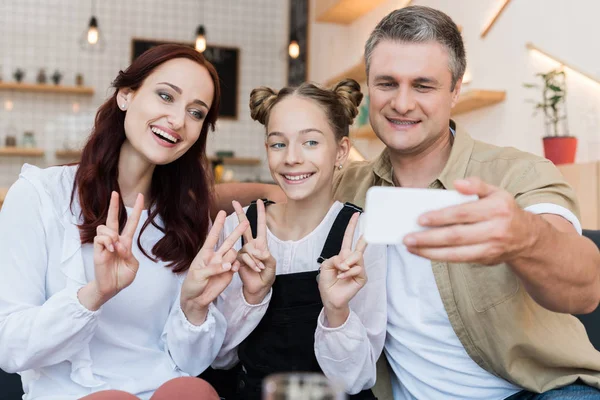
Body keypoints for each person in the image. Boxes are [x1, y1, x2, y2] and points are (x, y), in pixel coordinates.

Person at [215, 6, 600, 400]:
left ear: (455, 90)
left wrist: (524, 237)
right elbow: (280, 195)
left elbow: (585, 287)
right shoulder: (348, 189)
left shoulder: (516, 175)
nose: (401, 103)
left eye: (423, 85)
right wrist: (178, 195)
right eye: (387, 83)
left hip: (537, 392)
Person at [0, 44, 249, 400]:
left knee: (193, 391)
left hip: (161, 391)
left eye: (196, 112)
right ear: (125, 96)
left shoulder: (188, 219)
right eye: (166, 96)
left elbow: (189, 363)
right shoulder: (39, 196)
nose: (178, 120)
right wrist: (95, 293)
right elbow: (8, 346)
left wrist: (194, 307)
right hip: (67, 394)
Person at [205, 79, 387, 399]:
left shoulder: (362, 235)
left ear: (341, 151)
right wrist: (251, 296)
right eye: (278, 144)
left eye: (311, 143)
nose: (291, 158)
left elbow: (358, 378)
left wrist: (336, 311)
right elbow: (218, 359)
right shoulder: (239, 228)